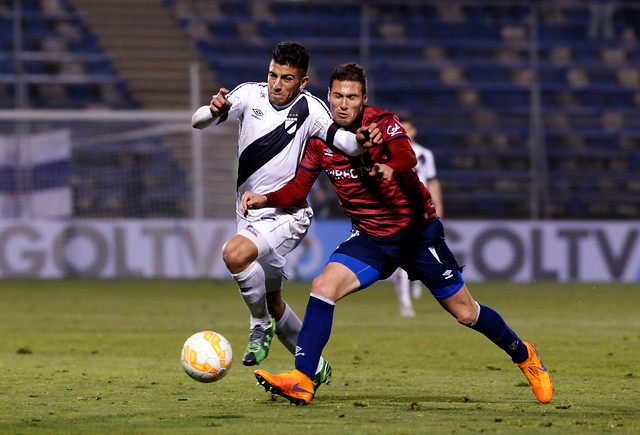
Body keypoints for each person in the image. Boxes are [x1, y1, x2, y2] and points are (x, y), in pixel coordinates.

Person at [242, 63, 553, 406]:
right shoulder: (319, 138)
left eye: (352, 97)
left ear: (363, 99)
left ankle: (524, 353)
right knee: (323, 287)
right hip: (371, 241)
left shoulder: (381, 123)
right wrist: (265, 199)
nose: (344, 104)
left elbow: (406, 155)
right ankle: (302, 378)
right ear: (328, 96)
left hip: (417, 236)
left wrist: (389, 164)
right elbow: (298, 188)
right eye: (338, 96)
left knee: (466, 313)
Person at [191, 42, 381, 391]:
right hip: (249, 212)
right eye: (273, 75)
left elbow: (347, 143)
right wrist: (212, 108)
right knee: (275, 300)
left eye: (286, 78)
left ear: (303, 81)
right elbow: (198, 121)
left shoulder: (312, 110)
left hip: (287, 213)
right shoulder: (249, 95)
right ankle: (314, 366)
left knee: (234, 254)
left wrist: (363, 140)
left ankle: (258, 324)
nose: (277, 84)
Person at [393, 113, 444, 317]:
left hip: (421, 208)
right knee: (401, 254)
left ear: (413, 131)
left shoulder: (424, 154)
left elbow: (432, 181)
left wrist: (438, 204)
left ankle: (416, 279)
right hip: (398, 208)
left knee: (424, 250)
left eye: (407, 129)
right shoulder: (389, 152)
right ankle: (405, 303)